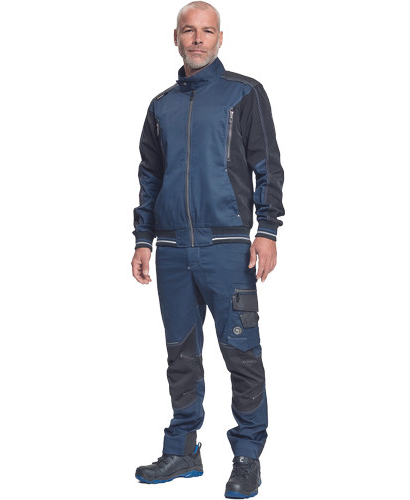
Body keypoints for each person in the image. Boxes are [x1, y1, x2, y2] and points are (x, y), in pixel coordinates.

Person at [131, 2, 284, 497]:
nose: (198, 39)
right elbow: (150, 177)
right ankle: (183, 450)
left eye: (207, 31)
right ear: (175, 37)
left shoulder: (244, 93)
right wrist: (143, 239)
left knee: (241, 353)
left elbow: (267, 165)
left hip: (228, 248)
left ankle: (247, 456)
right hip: (173, 249)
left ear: (220, 38)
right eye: (189, 31)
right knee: (180, 354)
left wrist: (267, 230)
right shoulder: (161, 106)